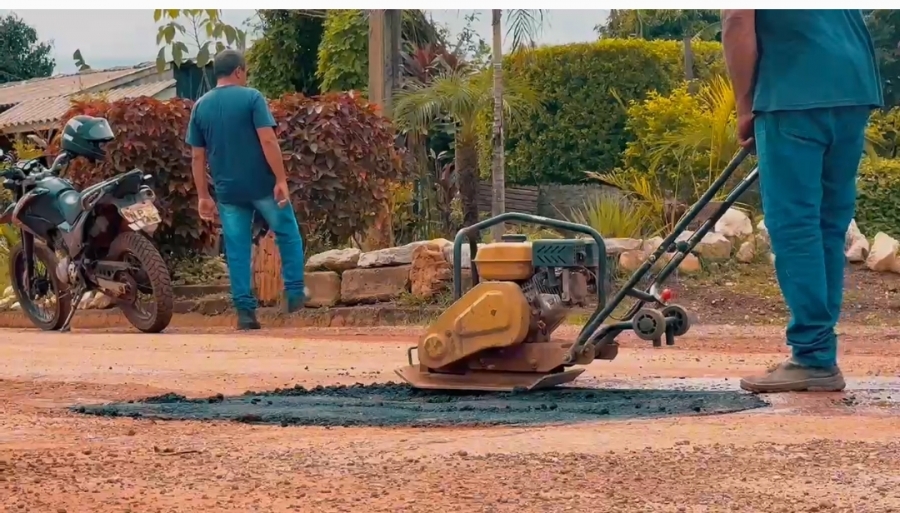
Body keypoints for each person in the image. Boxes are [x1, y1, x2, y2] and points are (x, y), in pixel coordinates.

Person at [722, 10, 883, 393]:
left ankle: (812, 356)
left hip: (795, 88)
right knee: (828, 224)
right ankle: (818, 354)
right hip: (853, 87)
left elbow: (736, 20)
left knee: (794, 224)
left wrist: (745, 107)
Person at [186, 49, 307, 330]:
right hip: (263, 185)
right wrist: (281, 179)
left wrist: (204, 196)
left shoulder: (200, 107)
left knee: (237, 249)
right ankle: (294, 293)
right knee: (287, 232)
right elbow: (268, 140)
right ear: (239, 71)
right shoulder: (252, 97)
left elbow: (197, 156)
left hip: (229, 193)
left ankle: (245, 313)